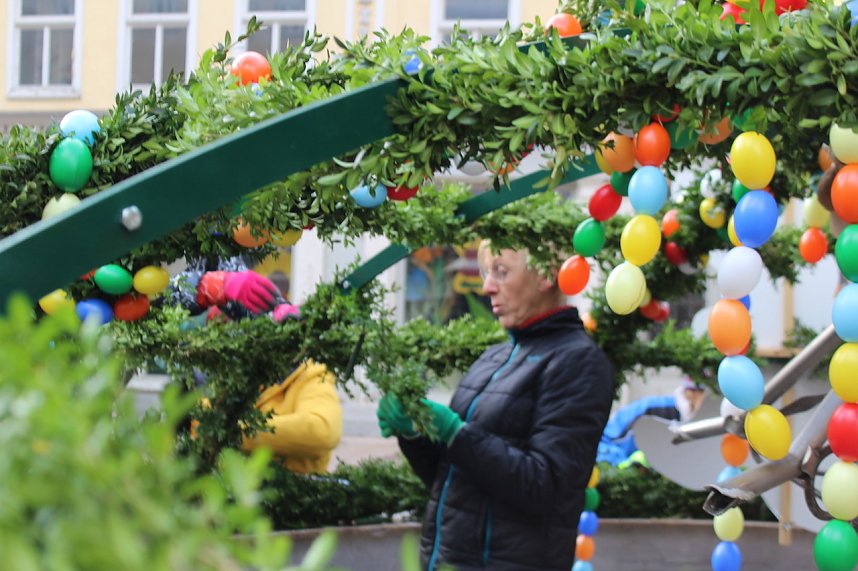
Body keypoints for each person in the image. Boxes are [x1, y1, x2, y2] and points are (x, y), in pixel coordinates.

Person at [377, 243, 615, 571]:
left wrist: (456, 433)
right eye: (488, 272)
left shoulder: (579, 362)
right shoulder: (494, 356)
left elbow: (545, 488)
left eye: (501, 272)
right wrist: (415, 433)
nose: (487, 286)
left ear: (546, 274)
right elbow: (451, 479)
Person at [171, 256, 342, 474]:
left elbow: (322, 431)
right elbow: (197, 425)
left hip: (291, 487)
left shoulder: (309, 374)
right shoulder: (223, 376)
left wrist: (229, 433)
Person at [597, 377, 706, 466]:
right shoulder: (651, 408)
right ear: (691, 392)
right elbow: (605, 442)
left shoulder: (704, 426)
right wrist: (626, 464)